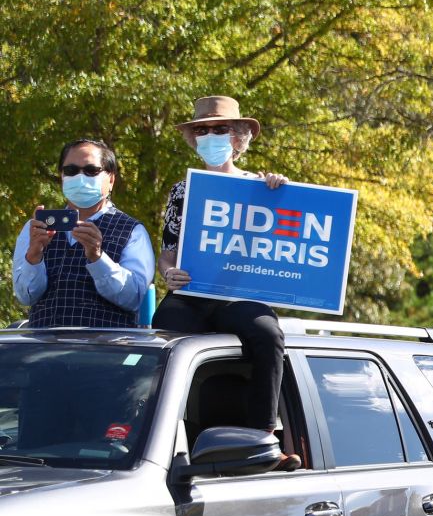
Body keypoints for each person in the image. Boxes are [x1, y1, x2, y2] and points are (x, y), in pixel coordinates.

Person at [152, 96, 298, 469]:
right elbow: (168, 252)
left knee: (267, 335)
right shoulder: (181, 190)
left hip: (241, 298)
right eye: (202, 130)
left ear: (238, 138)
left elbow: (289, 239)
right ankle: (164, 444)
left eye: (220, 129)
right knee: (164, 332)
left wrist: (284, 192)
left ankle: (265, 440)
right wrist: (169, 272)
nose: (211, 136)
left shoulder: (262, 187)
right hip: (193, 295)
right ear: (193, 139)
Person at [11, 140, 154, 328]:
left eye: (91, 170)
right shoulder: (36, 227)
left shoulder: (132, 230)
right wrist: (34, 256)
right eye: (71, 171)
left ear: (111, 179)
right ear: (62, 176)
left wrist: (98, 258)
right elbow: (25, 296)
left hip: (104, 351)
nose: (80, 177)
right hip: (44, 350)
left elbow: (133, 298)